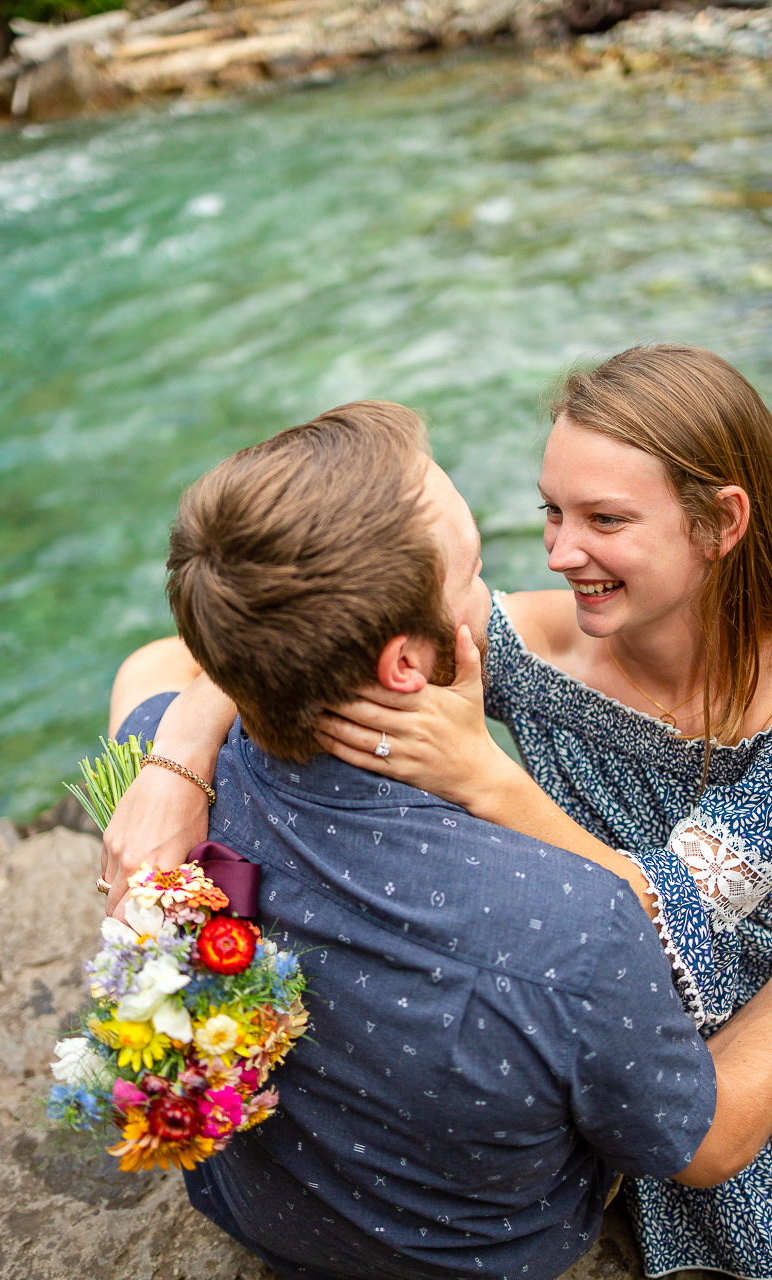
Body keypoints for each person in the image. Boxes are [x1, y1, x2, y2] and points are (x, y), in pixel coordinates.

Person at [105, 398, 772, 1280]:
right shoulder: (569, 924)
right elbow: (709, 1137)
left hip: (250, 1206)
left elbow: (158, 660)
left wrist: (175, 760)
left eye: (603, 518)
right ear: (405, 668)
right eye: (479, 564)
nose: (554, 559)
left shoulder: (165, 771)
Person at [308, 347, 772, 1279]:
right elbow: (255, 629)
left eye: (605, 519)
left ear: (719, 520)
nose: (561, 553)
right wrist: (169, 773)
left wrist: (487, 779)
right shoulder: (530, 652)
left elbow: (671, 915)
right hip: (622, 1036)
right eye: (551, 513)